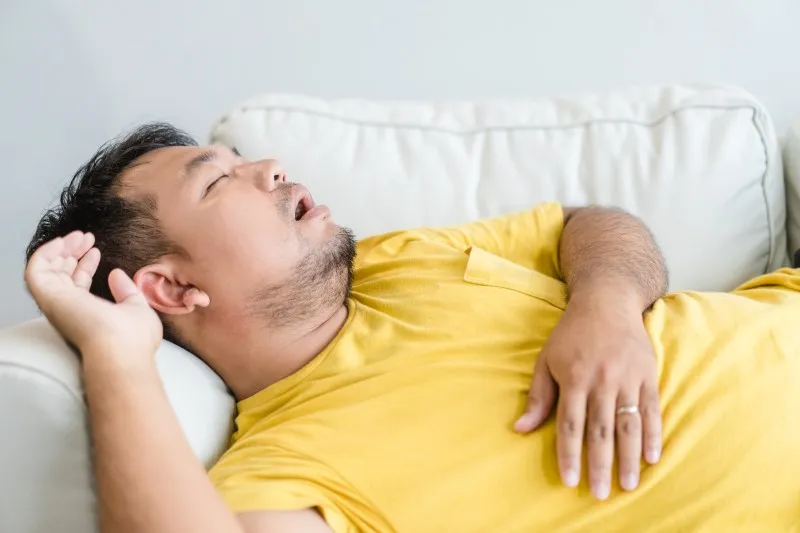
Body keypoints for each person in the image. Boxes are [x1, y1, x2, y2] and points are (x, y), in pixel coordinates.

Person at [23, 123, 800, 533]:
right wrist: (115, 356)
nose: (270, 167)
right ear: (172, 286)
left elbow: (589, 223)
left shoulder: (394, 258)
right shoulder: (289, 468)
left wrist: (606, 305)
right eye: (221, 178)